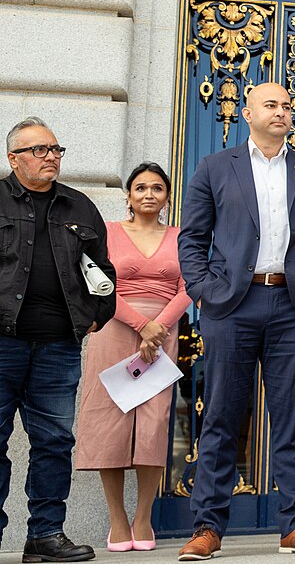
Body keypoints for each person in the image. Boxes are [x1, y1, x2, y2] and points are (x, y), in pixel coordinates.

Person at [177, 82, 295, 559]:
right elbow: (192, 239)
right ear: (246, 112)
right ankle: (207, 526)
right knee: (222, 416)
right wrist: (204, 291)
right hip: (230, 306)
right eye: (271, 105)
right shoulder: (213, 168)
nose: (282, 112)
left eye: (288, 106)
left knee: (291, 418)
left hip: (294, 306)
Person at [0, 117, 114, 562]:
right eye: (40, 150)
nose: (51, 157)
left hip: (59, 348)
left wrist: (96, 318)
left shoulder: (80, 207)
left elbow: (104, 273)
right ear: (14, 158)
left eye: (56, 149)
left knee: (53, 442)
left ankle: (45, 536)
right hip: (3, 344)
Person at [76, 163, 192, 552]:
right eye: (140, 187)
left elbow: (189, 286)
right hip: (113, 327)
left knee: (154, 424)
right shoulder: (106, 232)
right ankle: (117, 520)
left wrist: (157, 327)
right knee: (110, 420)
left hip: (163, 334)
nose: (148, 194)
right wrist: (141, 324)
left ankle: (143, 517)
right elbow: (95, 282)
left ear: (167, 197)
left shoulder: (181, 236)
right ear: (127, 195)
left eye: (157, 188)